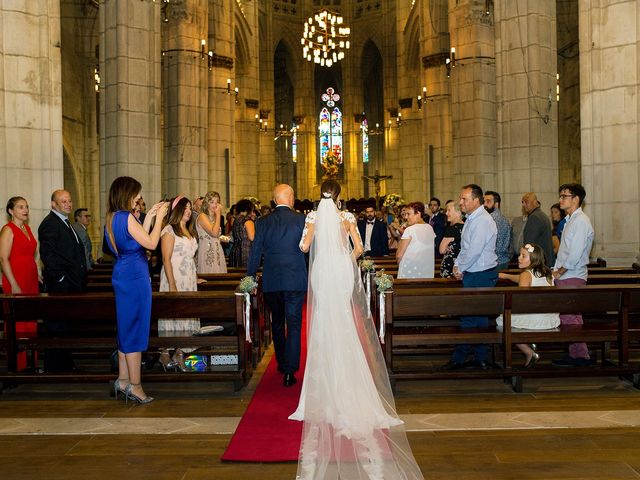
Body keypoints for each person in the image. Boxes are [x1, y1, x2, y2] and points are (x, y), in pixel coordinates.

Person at [289, 180, 423, 480]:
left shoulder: (312, 218)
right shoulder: (348, 218)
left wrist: (320, 251)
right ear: (339, 196)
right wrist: (342, 260)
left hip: (323, 271)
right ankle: (349, 377)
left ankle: (326, 378)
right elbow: (359, 248)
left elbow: (304, 247)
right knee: (345, 322)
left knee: (323, 321)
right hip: (340, 271)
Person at [104, 176, 168, 404]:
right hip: (135, 276)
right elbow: (150, 243)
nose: (138, 198)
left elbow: (134, 235)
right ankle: (136, 386)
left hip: (123, 272)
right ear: (127, 194)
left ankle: (122, 380)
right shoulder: (126, 217)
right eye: (136, 195)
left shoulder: (112, 217)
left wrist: (150, 215)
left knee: (125, 327)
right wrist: (160, 218)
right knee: (135, 329)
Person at [247, 184, 307, 387]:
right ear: (291, 199)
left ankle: (281, 363)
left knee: (278, 323)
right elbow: (308, 251)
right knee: (295, 324)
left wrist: (250, 277)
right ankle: (290, 371)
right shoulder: (301, 219)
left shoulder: (263, 222)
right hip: (295, 279)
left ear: (274, 201)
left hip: (273, 281)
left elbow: (255, 251)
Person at [441, 184, 498, 370]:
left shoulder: (482, 220)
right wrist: (459, 265)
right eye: (461, 198)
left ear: (476, 200)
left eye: (464, 199)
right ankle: (474, 357)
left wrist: (459, 268)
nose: (461, 202)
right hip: (473, 272)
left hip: (480, 274)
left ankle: (471, 358)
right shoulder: (473, 219)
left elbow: (474, 251)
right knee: (472, 317)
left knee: (475, 318)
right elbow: (465, 248)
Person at [38, 189, 88, 372]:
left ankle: (65, 364)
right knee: (57, 327)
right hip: (61, 285)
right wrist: (60, 278)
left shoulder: (65, 223)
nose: (68, 204)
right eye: (63, 201)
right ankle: (56, 368)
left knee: (65, 327)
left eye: (69, 200)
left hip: (71, 284)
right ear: (54, 204)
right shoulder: (50, 224)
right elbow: (48, 256)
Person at [552, 183, 594, 367]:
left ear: (576, 199)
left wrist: (558, 271)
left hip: (572, 275)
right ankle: (576, 353)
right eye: (561, 196)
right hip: (566, 276)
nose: (561, 199)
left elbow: (574, 255)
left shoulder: (581, 221)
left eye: (564, 196)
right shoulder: (570, 220)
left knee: (571, 317)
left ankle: (581, 356)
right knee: (568, 316)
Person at [497, 243, 560, 367]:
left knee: (502, 320)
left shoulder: (526, 275)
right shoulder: (547, 273)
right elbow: (523, 278)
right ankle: (529, 342)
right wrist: (507, 276)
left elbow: (521, 300)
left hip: (536, 320)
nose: (519, 258)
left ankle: (529, 351)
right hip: (550, 319)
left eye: (523, 256)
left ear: (533, 259)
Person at [158, 196, 200, 372]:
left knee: (187, 316)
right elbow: (166, 259)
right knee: (172, 316)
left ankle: (181, 353)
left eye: (190, 208)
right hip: (173, 277)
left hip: (188, 279)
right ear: (177, 210)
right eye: (185, 208)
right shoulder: (169, 230)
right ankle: (165, 353)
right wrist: (172, 285)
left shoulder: (189, 230)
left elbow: (190, 258)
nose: (189, 211)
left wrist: (195, 277)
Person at [1, 197, 39, 295]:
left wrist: (35, 273)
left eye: (26, 207)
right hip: (16, 277)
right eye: (20, 207)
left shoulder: (27, 228)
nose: (26, 210)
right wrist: (13, 284)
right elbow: (3, 259)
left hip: (31, 276)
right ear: (11, 211)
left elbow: (29, 255)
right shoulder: (8, 229)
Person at [396, 201, 435, 278]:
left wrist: (399, 264)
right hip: (426, 270)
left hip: (409, 270)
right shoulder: (430, 228)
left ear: (418, 213)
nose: (406, 217)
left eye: (408, 214)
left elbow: (399, 255)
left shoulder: (410, 230)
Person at [196, 191, 227, 274]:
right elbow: (213, 233)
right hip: (207, 252)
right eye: (212, 202)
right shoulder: (202, 216)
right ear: (207, 203)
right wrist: (218, 214)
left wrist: (224, 239)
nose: (215, 205)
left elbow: (216, 236)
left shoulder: (215, 217)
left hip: (217, 251)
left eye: (217, 202)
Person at [521, 192, 554, 267]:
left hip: (538, 263)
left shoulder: (534, 218)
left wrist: (525, 260)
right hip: (545, 261)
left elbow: (529, 244)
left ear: (535, 202)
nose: (524, 205)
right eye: (522, 202)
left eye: (526, 202)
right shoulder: (543, 215)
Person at [484, 191, 511, 270]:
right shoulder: (504, 218)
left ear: (496, 204)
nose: (484, 204)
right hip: (503, 260)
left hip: (494, 262)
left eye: (488, 201)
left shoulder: (490, 219)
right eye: (484, 201)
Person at [439, 199, 464, 278]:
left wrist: (448, 248)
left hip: (451, 267)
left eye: (449, 210)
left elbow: (441, 250)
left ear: (458, 213)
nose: (446, 213)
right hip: (463, 266)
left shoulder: (452, 229)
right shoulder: (467, 226)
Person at [229, 199, 255, 268]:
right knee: (247, 277)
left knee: (236, 276)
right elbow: (252, 237)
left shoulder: (236, 220)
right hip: (246, 252)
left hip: (235, 252)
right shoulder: (247, 220)